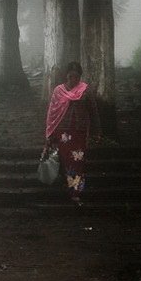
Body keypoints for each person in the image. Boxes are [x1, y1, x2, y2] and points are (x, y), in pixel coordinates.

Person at [43, 61, 101, 204]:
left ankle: (76, 192)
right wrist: (50, 133)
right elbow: (52, 113)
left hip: (79, 133)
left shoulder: (85, 90)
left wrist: (96, 132)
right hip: (63, 133)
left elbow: (93, 112)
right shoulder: (58, 91)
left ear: (80, 77)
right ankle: (68, 188)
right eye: (70, 76)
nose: (73, 79)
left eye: (76, 76)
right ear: (66, 76)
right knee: (65, 161)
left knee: (78, 162)